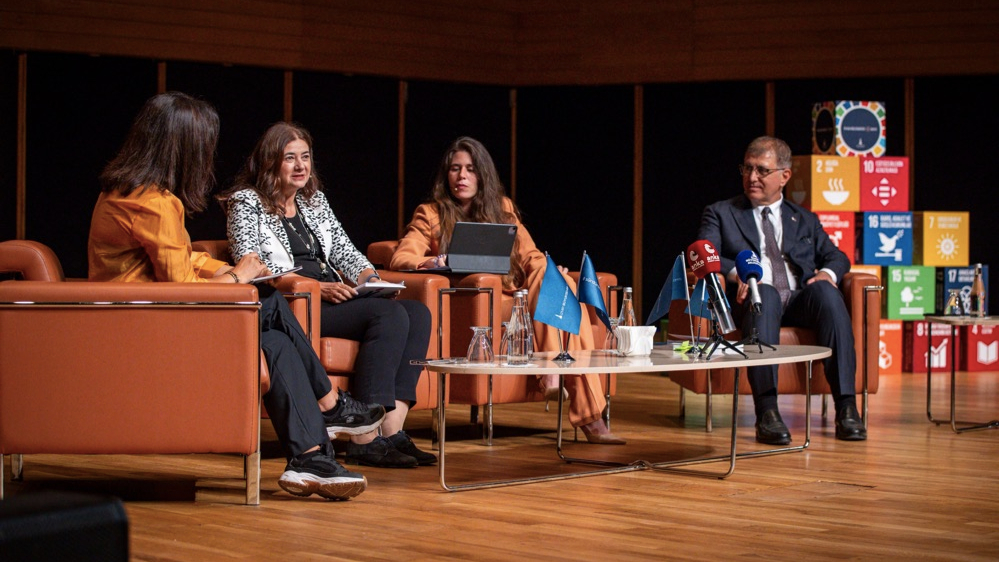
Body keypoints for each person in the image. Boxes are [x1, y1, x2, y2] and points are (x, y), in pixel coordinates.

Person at [88, 92, 387, 501]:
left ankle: (310, 458)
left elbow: (182, 257)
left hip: (149, 313)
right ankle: (331, 404)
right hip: (142, 324)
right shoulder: (152, 203)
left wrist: (226, 270)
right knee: (268, 300)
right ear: (182, 147)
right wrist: (238, 278)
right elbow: (181, 291)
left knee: (276, 341)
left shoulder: (133, 191)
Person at [223, 122, 436, 468]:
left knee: (417, 313)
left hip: (335, 294)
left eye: (305, 157)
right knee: (390, 316)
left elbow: (345, 251)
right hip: (298, 301)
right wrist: (317, 287)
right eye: (289, 158)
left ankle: (392, 431)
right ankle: (364, 438)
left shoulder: (314, 200)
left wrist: (371, 279)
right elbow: (250, 263)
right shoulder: (246, 202)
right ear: (269, 163)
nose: (300, 166)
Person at [389, 136, 624, 444]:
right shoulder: (430, 214)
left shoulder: (502, 209)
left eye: (470, 169)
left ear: (482, 174)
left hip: (519, 297)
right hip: (473, 301)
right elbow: (401, 257)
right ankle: (587, 414)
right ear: (446, 175)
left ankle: (554, 372)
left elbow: (531, 256)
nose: (461, 177)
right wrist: (435, 259)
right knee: (558, 288)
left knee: (553, 277)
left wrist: (553, 272)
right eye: (455, 169)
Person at [697, 135, 867, 444]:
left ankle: (847, 408)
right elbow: (706, 253)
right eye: (747, 168)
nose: (752, 178)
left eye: (761, 170)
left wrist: (827, 275)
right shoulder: (721, 213)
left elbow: (836, 256)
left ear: (784, 176)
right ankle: (768, 413)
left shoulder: (803, 218)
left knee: (827, 293)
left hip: (800, 298)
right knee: (767, 293)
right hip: (753, 298)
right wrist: (742, 275)